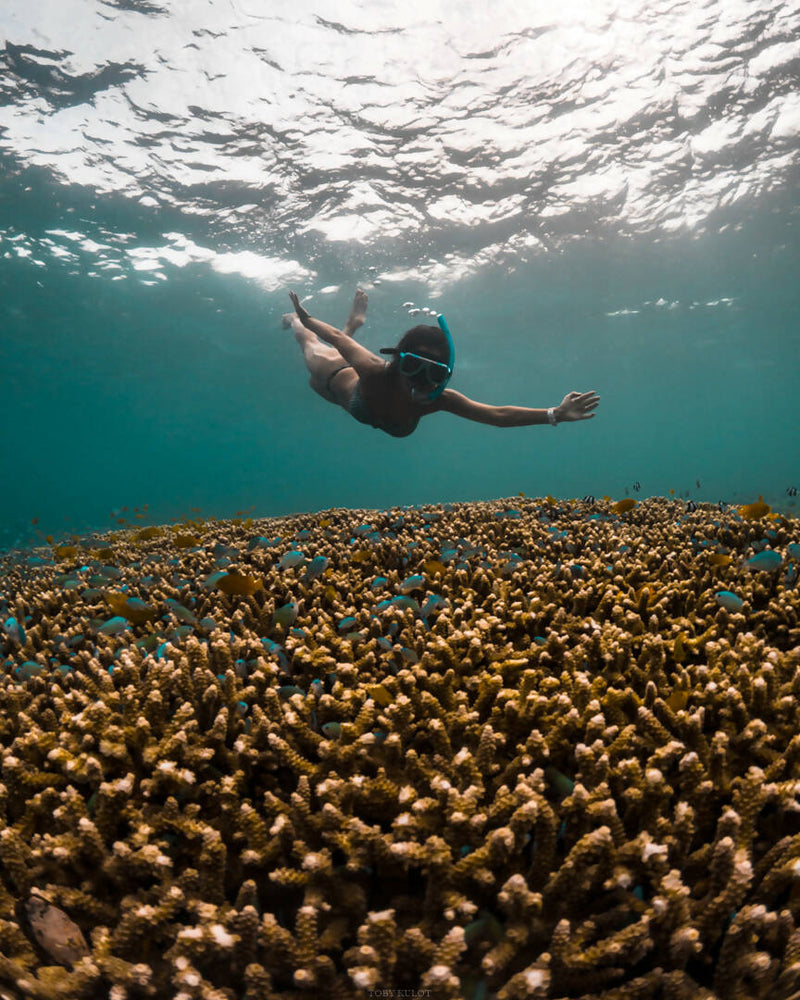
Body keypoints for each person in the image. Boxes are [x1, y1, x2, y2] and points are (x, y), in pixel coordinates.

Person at [283, 288, 599, 438]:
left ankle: (351, 325)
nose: (420, 379)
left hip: (352, 388)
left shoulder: (440, 400)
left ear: (443, 376)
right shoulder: (371, 369)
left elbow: (496, 415)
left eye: (433, 371)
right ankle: (303, 322)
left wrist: (553, 414)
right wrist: (306, 318)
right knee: (310, 344)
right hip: (332, 377)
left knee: (341, 345)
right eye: (411, 366)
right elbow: (337, 338)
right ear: (397, 361)